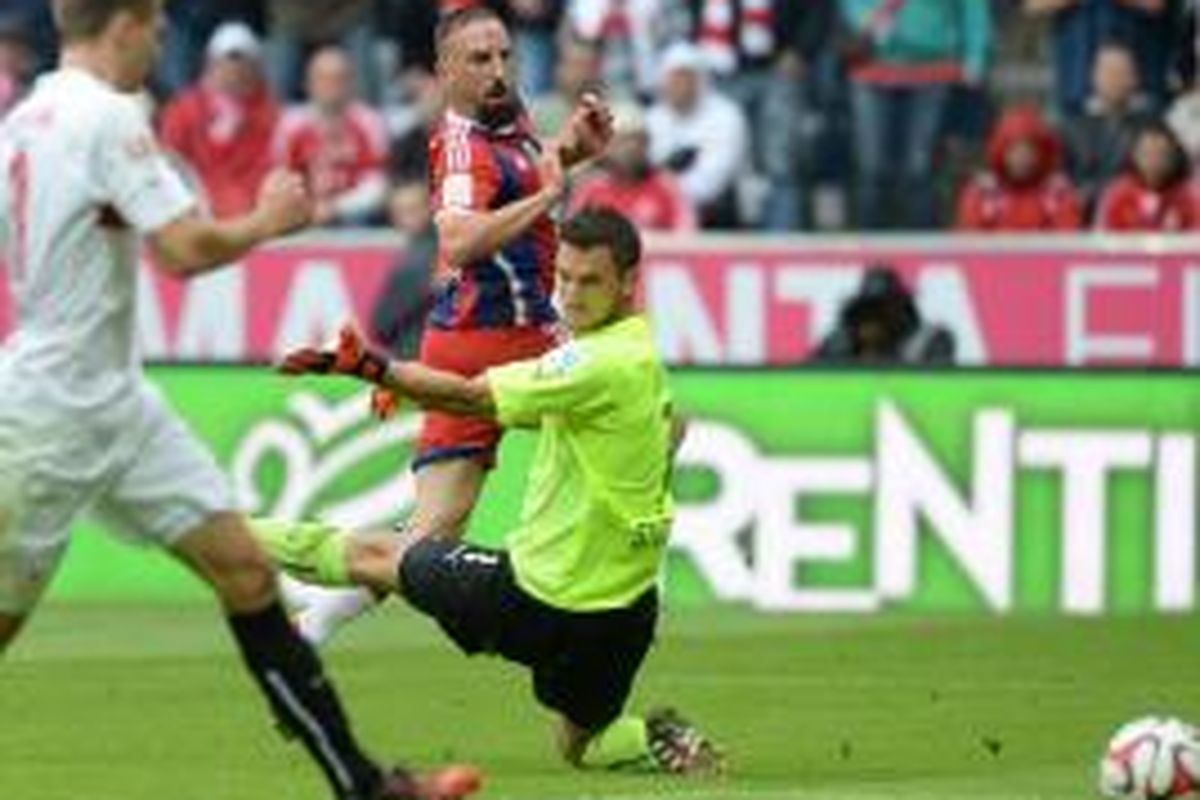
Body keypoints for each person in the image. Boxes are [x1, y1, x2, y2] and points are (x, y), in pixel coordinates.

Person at [0, 2, 479, 799]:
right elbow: (182, 250)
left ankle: (364, 786)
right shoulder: (107, 117)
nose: (159, 42)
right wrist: (269, 219)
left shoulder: (26, 118)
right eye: (153, 26)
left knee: (247, 575)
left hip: (113, 403)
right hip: (54, 415)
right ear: (124, 23)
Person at [257, 208, 724, 775]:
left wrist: (376, 369)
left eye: (591, 281)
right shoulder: (639, 353)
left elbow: (474, 398)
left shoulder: (593, 362)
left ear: (628, 283)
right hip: (623, 616)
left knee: (376, 554)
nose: (572, 295)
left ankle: (220, 532)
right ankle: (657, 740)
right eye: (566, 277)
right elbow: (672, 427)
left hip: (536, 599)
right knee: (579, 745)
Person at [280, 5, 613, 644]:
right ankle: (600, 587)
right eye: (479, 60)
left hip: (499, 335)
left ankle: (313, 624)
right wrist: (547, 196)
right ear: (444, 72)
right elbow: (458, 240)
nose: (498, 71)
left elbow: (523, 177)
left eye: (505, 57)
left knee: (433, 536)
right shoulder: (461, 145)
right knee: (651, 422)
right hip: (494, 342)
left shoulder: (505, 127)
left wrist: (571, 153)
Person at [838, 0, 992, 229]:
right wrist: (864, 19)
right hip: (872, 69)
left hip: (932, 69)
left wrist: (976, 57)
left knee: (920, 170)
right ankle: (869, 253)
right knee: (872, 169)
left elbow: (973, 8)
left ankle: (922, 251)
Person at [159, 21, 280, 219]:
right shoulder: (183, 110)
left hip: (251, 213)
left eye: (243, 64)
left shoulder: (270, 113)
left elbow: (269, 167)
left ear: (255, 67)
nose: (236, 71)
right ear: (211, 64)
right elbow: (170, 163)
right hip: (196, 212)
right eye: (229, 62)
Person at [274, 46, 391, 227]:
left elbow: (378, 187)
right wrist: (308, 209)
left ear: (352, 82)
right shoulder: (290, 124)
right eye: (323, 78)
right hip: (302, 215)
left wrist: (335, 208)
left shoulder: (369, 121)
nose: (332, 85)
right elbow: (281, 179)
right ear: (307, 83)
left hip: (356, 217)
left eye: (340, 78)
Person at [645, 41, 749, 229]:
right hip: (659, 208)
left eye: (686, 78)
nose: (679, 85)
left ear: (700, 80)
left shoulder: (726, 115)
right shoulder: (653, 117)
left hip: (714, 211)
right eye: (673, 78)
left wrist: (667, 191)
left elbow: (714, 180)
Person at [568, 102, 697, 232]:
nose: (630, 148)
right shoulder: (592, 189)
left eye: (636, 140)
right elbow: (572, 233)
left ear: (646, 144)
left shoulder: (667, 187)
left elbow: (686, 234)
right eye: (622, 141)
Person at [955, 105, 1083, 231]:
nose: (1022, 159)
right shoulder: (982, 192)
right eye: (1014, 150)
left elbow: (1068, 239)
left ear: (1041, 153)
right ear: (1001, 151)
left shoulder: (1058, 193)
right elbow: (969, 239)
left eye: (1028, 151)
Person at [811, 266, 956, 363]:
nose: (874, 318)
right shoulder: (839, 342)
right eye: (868, 309)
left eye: (883, 308)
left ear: (901, 309)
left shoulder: (928, 340)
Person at [371, 180, 438, 359]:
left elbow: (381, 325)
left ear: (430, 208)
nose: (403, 219)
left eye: (411, 210)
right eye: (399, 212)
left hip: (416, 354)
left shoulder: (417, 259)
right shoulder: (454, 246)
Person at [1095, 120, 1198, 231]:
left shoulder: (1192, 196)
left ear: (1174, 156)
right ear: (1134, 156)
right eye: (1147, 153)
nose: (1153, 161)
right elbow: (1102, 239)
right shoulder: (1117, 194)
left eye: (1161, 153)